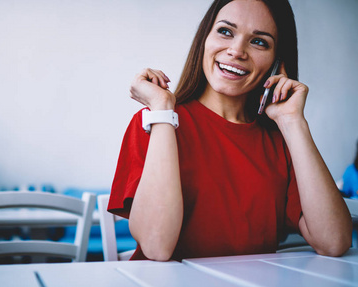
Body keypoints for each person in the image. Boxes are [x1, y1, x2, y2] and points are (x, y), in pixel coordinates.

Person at [108, 0, 352, 261]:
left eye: (259, 41)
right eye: (225, 31)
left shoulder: (280, 139)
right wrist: (162, 108)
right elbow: (157, 247)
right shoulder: (155, 121)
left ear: (277, 61)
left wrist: (293, 121)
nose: (236, 51)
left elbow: (334, 241)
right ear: (205, 39)